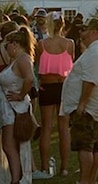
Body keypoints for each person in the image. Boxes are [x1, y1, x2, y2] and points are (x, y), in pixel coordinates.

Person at [60, 18, 98, 184]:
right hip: (95, 106)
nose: (81, 33)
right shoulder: (97, 49)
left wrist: (81, 104)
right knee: (94, 147)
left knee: (85, 147)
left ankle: (85, 181)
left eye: (85, 30)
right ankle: (90, 181)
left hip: (88, 108)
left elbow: (90, 81)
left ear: (95, 32)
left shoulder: (96, 52)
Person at [34, 11, 74, 179]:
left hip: (47, 87)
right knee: (64, 128)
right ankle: (64, 167)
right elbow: (72, 62)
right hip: (64, 86)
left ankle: (44, 166)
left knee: (47, 128)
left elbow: (37, 64)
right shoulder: (70, 43)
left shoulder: (41, 44)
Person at [0, 26, 37, 184]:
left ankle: (16, 178)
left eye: (7, 45)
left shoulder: (23, 59)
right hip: (9, 108)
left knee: (9, 145)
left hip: (15, 109)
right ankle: (15, 177)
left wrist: (20, 95)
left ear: (14, 44)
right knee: (11, 144)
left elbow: (29, 79)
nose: (5, 49)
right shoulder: (16, 59)